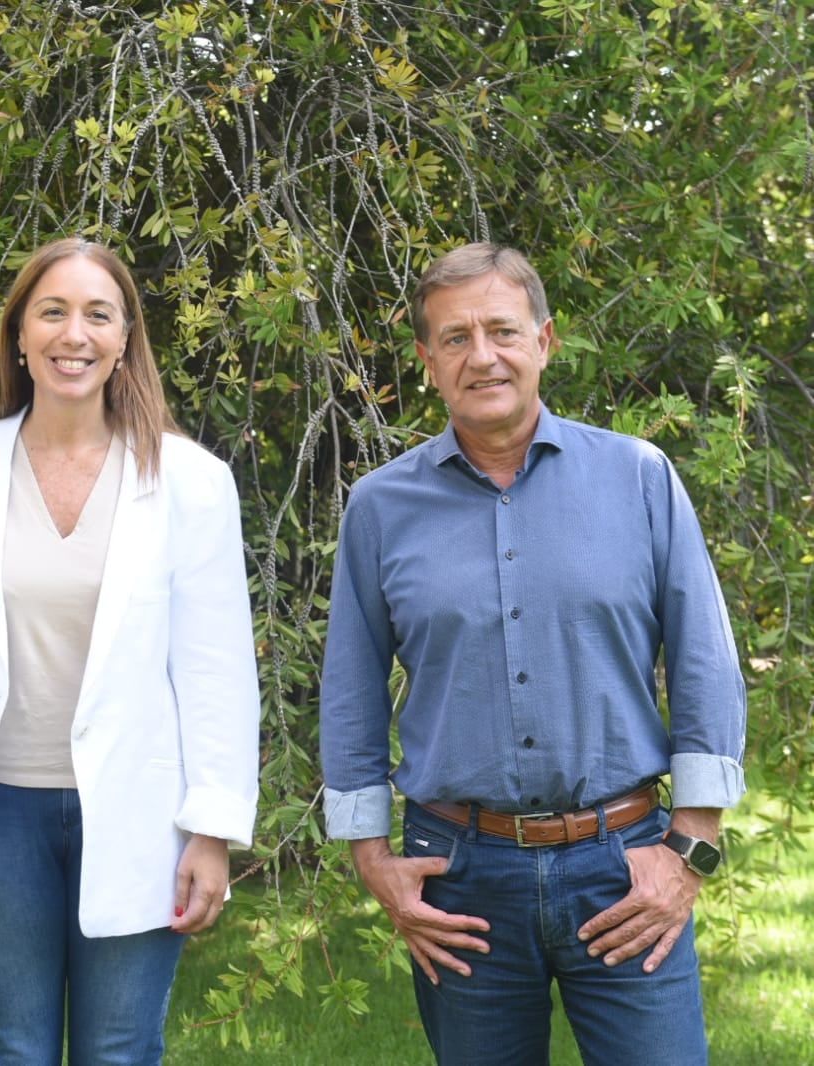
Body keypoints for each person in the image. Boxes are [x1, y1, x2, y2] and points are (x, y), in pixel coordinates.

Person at [320, 242, 746, 1065]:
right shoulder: (379, 508)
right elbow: (349, 690)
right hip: (457, 882)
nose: (481, 356)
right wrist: (371, 857)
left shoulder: (638, 478)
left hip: (623, 871)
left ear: (544, 341)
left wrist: (689, 849)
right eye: (454, 337)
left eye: (502, 331)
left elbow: (704, 663)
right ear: (426, 360)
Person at [0, 237, 261, 1065]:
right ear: (18, 334)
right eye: (51, 311)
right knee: (8, 1048)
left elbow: (216, 671)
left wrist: (212, 830)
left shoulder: (191, 481)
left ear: (125, 340)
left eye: (97, 314)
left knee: (119, 1050)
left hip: (138, 810)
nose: (73, 334)